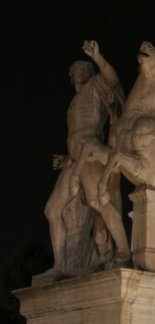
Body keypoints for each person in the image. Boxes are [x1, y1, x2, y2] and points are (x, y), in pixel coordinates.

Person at [41, 40, 131, 280]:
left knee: (98, 202)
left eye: (84, 69)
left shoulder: (95, 87)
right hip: (73, 159)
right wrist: (65, 158)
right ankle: (60, 265)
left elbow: (112, 79)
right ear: (71, 77)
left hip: (90, 154)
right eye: (76, 70)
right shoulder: (73, 102)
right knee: (52, 210)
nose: (80, 72)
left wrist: (98, 57)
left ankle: (123, 250)